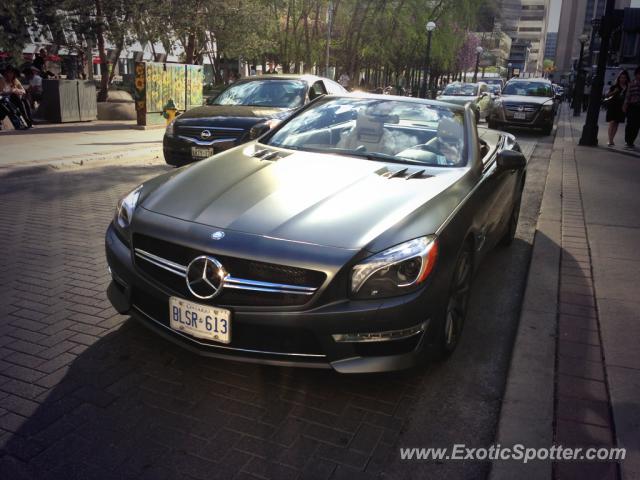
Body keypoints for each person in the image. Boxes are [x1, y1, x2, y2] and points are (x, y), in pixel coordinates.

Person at [604, 70, 629, 147]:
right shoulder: (614, 86)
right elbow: (607, 95)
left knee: (616, 124)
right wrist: (614, 92)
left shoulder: (628, 87)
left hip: (621, 107)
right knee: (612, 122)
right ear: (619, 78)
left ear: (626, 79)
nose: (622, 79)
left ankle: (612, 139)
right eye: (621, 78)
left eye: (624, 78)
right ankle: (610, 140)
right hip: (613, 106)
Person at [623, 66, 640, 149]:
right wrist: (625, 105)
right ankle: (628, 141)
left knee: (637, 125)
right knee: (630, 124)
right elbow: (628, 95)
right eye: (639, 74)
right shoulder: (632, 84)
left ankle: (631, 141)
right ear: (636, 74)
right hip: (632, 106)